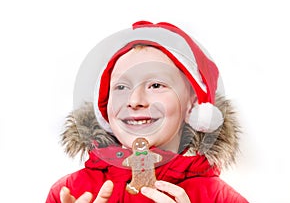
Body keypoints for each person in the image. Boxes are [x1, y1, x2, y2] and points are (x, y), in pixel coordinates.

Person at [46, 21, 248, 202]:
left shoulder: (220, 198)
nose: (135, 101)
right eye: (121, 87)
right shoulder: (70, 192)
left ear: (192, 106)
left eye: (156, 85)